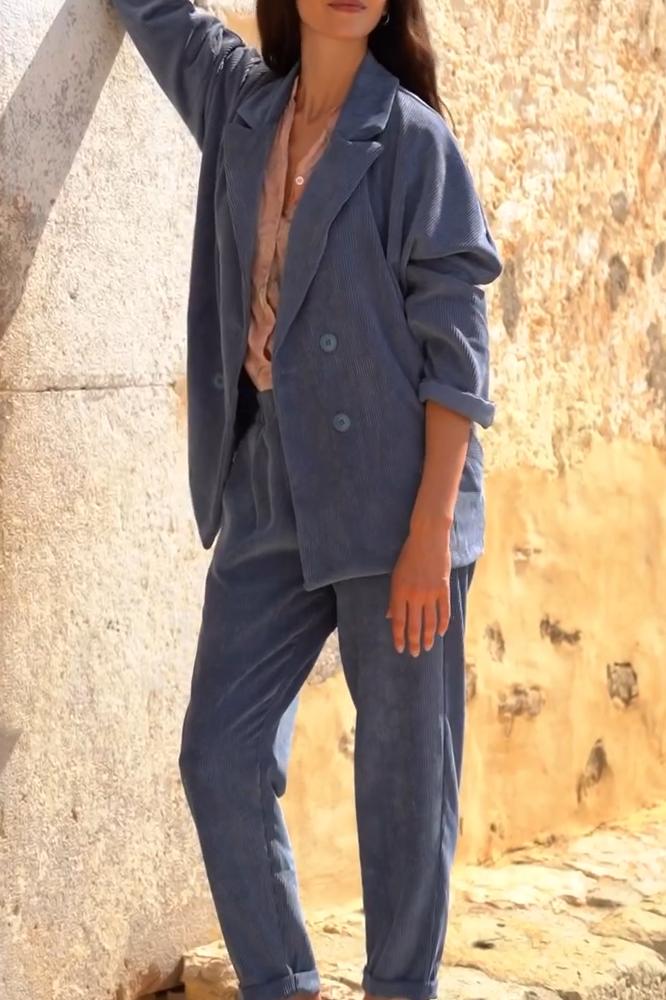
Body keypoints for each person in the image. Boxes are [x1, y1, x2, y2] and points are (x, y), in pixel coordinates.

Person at [109, 3, 503, 1000]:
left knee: (405, 783)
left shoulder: (414, 141)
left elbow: (459, 358)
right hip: (265, 486)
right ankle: (283, 983)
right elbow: (160, 16)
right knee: (219, 754)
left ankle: (402, 988)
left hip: (397, 501)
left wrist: (429, 534)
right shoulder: (240, 103)